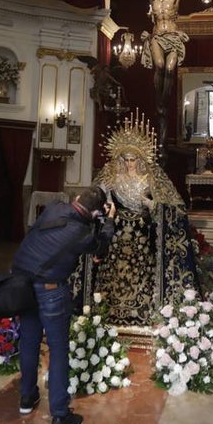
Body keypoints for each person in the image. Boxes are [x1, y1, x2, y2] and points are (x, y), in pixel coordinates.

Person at [70, 113, 197, 328]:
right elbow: (94, 199)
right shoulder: (109, 176)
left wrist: (148, 204)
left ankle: (143, 307)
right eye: (125, 160)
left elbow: (174, 208)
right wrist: (106, 203)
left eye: (133, 159)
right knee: (113, 270)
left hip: (141, 232)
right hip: (116, 232)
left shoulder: (152, 177)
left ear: (140, 159)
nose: (129, 164)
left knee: (141, 269)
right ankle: (107, 308)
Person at [11, 186, 116, 424]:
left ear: (76, 199)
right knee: (58, 349)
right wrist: (109, 221)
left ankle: (27, 398)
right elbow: (100, 248)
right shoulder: (82, 233)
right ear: (95, 212)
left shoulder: (54, 209)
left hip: (22, 283)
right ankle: (59, 416)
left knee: (29, 341)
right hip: (50, 290)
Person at [115, 0, 213, 155]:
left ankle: (163, 101)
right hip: (156, 37)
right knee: (160, 65)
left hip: (172, 36)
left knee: (170, 69)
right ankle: (159, 100)